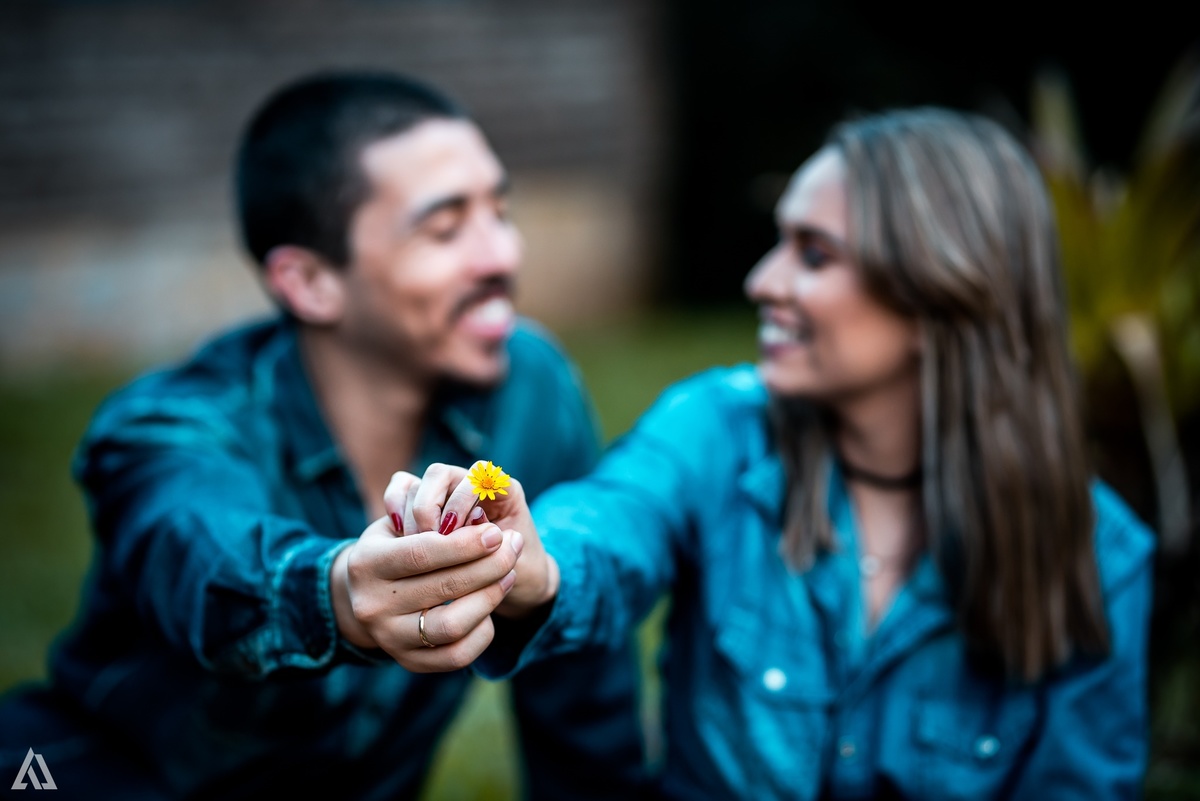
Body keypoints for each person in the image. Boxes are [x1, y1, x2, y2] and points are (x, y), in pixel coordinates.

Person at [401, 108, 1155, 799]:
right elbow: (616, 518)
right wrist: (537, 563)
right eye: (780, 243)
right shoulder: (718, 431)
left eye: (815, 255)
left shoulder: (1100, 560)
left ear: (941, 293)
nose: (763, 282)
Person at [0, 71, 646, 799]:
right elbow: (200, 557)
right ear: (308, 282)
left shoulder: (530, 386)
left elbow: (579, 697)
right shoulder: (169, 426)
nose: (502, 255)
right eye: (445, 229)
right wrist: (338, 593)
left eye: (500, 211)